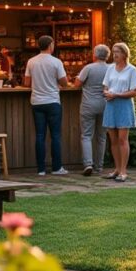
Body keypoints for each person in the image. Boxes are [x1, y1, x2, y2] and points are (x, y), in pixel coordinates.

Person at [24, 35, 69, 176]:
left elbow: (26, 83)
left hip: (37, 102)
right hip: (53, 101)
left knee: (40, 135)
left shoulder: (31, 61)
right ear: (50, 45)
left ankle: (41, 169)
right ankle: (56, 168)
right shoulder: (56, 62)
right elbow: (64, 82)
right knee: (55, 135)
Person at [102, 43, 136, 182]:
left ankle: (124, 172)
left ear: (125, 54)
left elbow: (135, 91)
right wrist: (106, 93)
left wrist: (117, 95)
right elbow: (105, 87)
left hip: (124, 105)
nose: (115, 55)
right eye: (113, 52)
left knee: (122, 139)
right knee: (113, 140)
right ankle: (117, 169)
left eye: (118, 52)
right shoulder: (110, 69)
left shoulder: (132, 70)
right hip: (110, 105)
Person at [76, 45, 111, 176]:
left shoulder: (88, 68)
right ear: (107, 56)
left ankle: (88, 164)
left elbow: (77, 84)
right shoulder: (111, 69)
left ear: (94, 55)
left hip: (88, 105)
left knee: (86, 135)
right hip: (105, 105)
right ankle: (99, 166)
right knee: (102, 137)